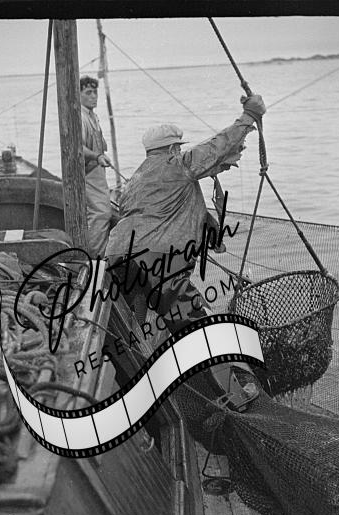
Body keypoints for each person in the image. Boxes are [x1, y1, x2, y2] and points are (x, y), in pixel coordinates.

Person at [106, 94, 266, 411]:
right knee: (196, 326)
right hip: (156, 262)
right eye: (178, 148)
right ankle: (237, 397)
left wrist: (209, 228)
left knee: (139, 325)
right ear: (172, 149)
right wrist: (248, 117)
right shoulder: (177, 165)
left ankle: (141, 389)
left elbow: (167, 212)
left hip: (118, 259)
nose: (180, 152)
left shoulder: (137, 178)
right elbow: (215, 147)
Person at [80, 75, 113, 258]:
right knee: (101, 213)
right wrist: (97, 156)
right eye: (88, 92)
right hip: (89, 173)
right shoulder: (81, 117)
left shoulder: (92, 115)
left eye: (95, 92)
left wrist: (101, 153)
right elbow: (78, 147)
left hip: (98, 173)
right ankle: (95, 259)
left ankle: (99, 256)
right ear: (77, 95)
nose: (94, 96)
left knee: (103, 211)